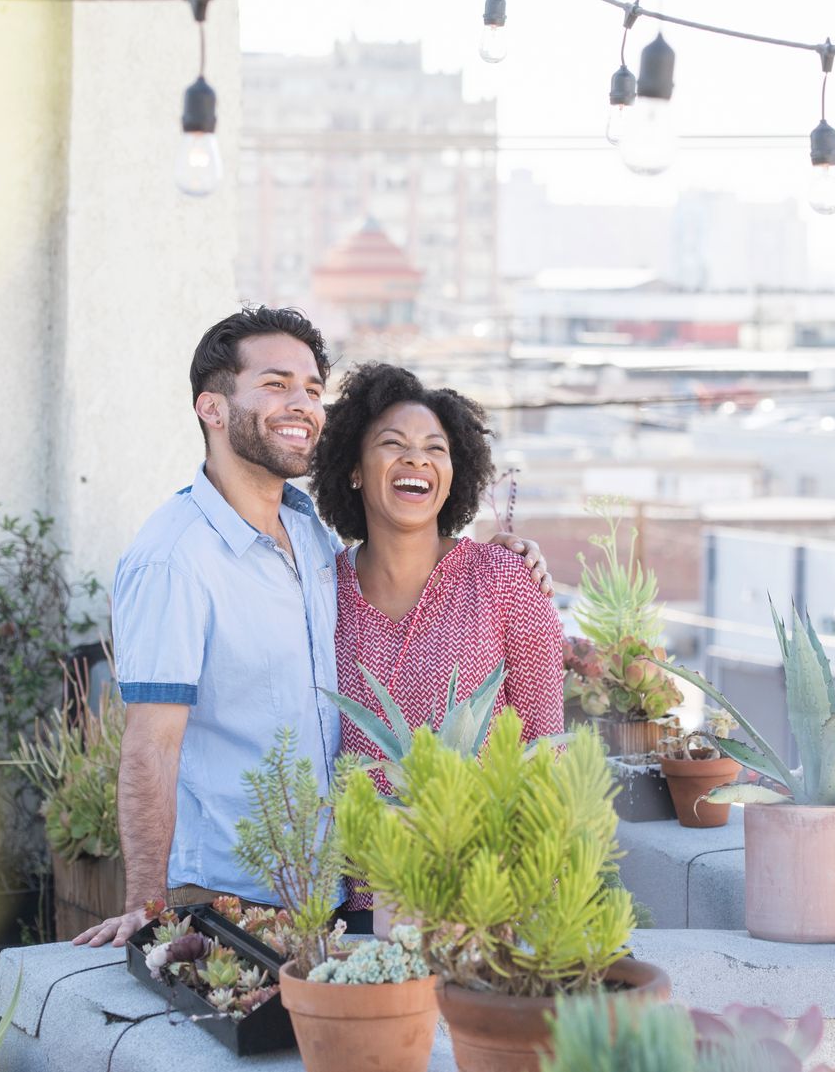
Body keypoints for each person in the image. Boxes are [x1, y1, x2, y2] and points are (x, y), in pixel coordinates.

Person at [73, 308, 550, 948]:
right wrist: (143, 907)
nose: (300, 403)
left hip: (338, 897)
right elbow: (150, 745)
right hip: (231, 899)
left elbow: (541, 751)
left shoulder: (313, 542)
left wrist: (509, 562)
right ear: (211, 409)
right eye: (274, 384)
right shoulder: (174, 560)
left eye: (312, 389)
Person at [309, 363, 565, 849]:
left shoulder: (503, 580)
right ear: (355, 471)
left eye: (435, 448)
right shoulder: (321, 590)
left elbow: (544, 750)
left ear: (453, 476)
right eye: (392, 443)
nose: (417, 459)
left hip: (481, 888)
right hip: (357, 894)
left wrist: (536, 901)